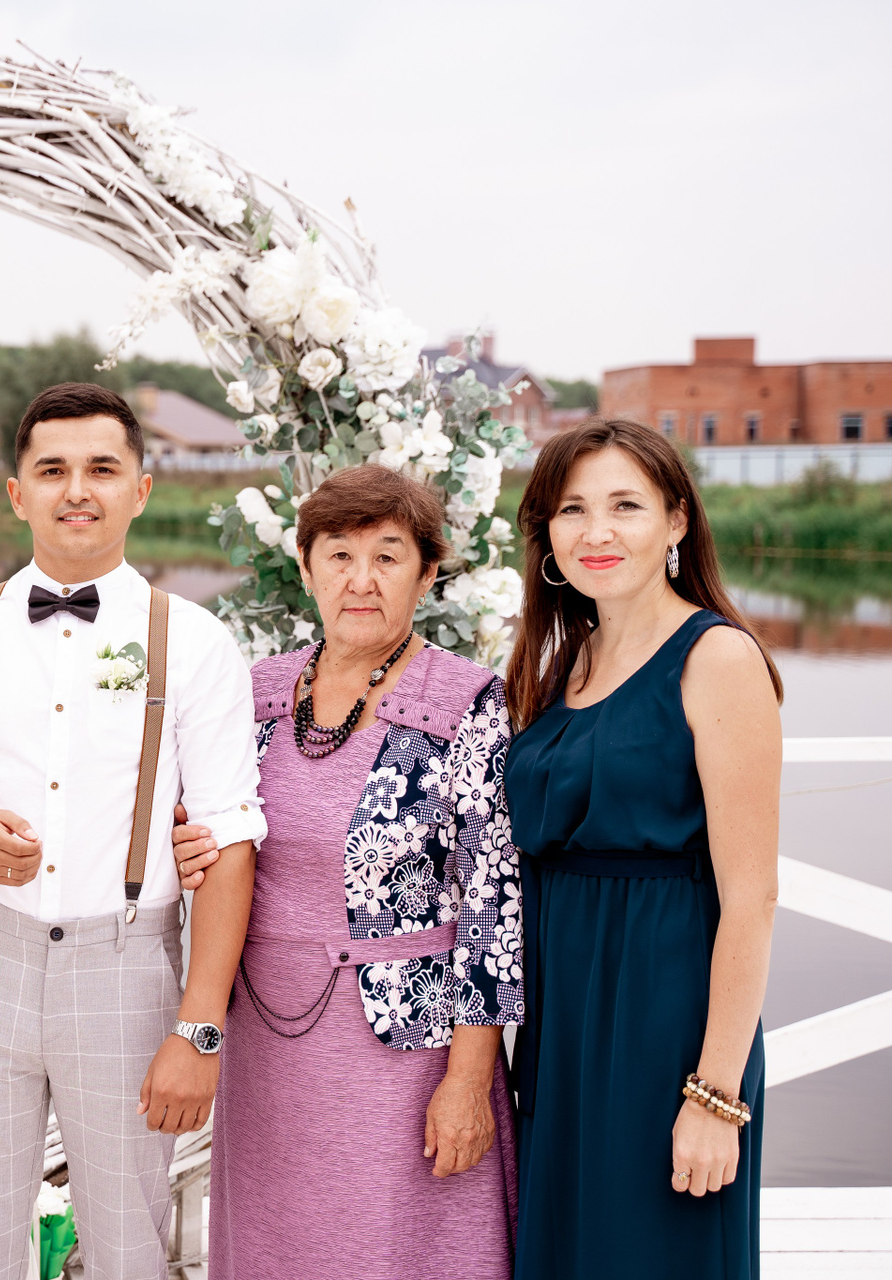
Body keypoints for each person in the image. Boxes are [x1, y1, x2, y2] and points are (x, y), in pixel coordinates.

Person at [0, 383, 264, 1280]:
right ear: (17, 494)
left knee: (129, 1249)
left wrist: (200, 1029)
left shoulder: (196, 641)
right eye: (52, 470)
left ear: (141, 490)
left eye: (102, 469)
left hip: (127, 969)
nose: (76, 490)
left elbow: (229, 841)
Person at [172, 464, 522, 1279]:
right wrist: (186, 848)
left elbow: (493, 908)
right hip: (270, 1040)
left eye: (388, 557)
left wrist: (470, 1079)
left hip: (408, 1052)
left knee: (400, 1252)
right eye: (339, 555)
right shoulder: (254, 693)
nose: (361, 580)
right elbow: (213, 837)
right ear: (306, 567)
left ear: (427, 574)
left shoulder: (469, 702)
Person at [503, 418, 780, 1278]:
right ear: (547, 533)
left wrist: (715, 1096)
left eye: (626, 505)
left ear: (676, 521)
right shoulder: (567, 661)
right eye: (573, 509)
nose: (598, 531)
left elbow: (752, 899)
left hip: (664, 1021)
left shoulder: (716, 657)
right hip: (561, 1023)